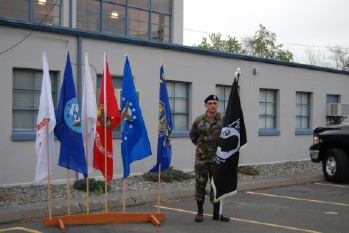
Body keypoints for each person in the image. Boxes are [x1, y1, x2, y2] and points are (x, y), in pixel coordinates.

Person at [190, 94, 230, 222]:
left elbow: (228, 137)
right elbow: (193, 137)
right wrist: (203, 148)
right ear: (206, 105)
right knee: (200, 184)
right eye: (210, 103)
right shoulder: (199, 120)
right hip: (202, 159)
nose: (212, 105)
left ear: (217, 105)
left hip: (218, 159)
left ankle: (216, 213)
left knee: (216, 185)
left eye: (215, 103)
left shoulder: (224, 120)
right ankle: (200, 213)